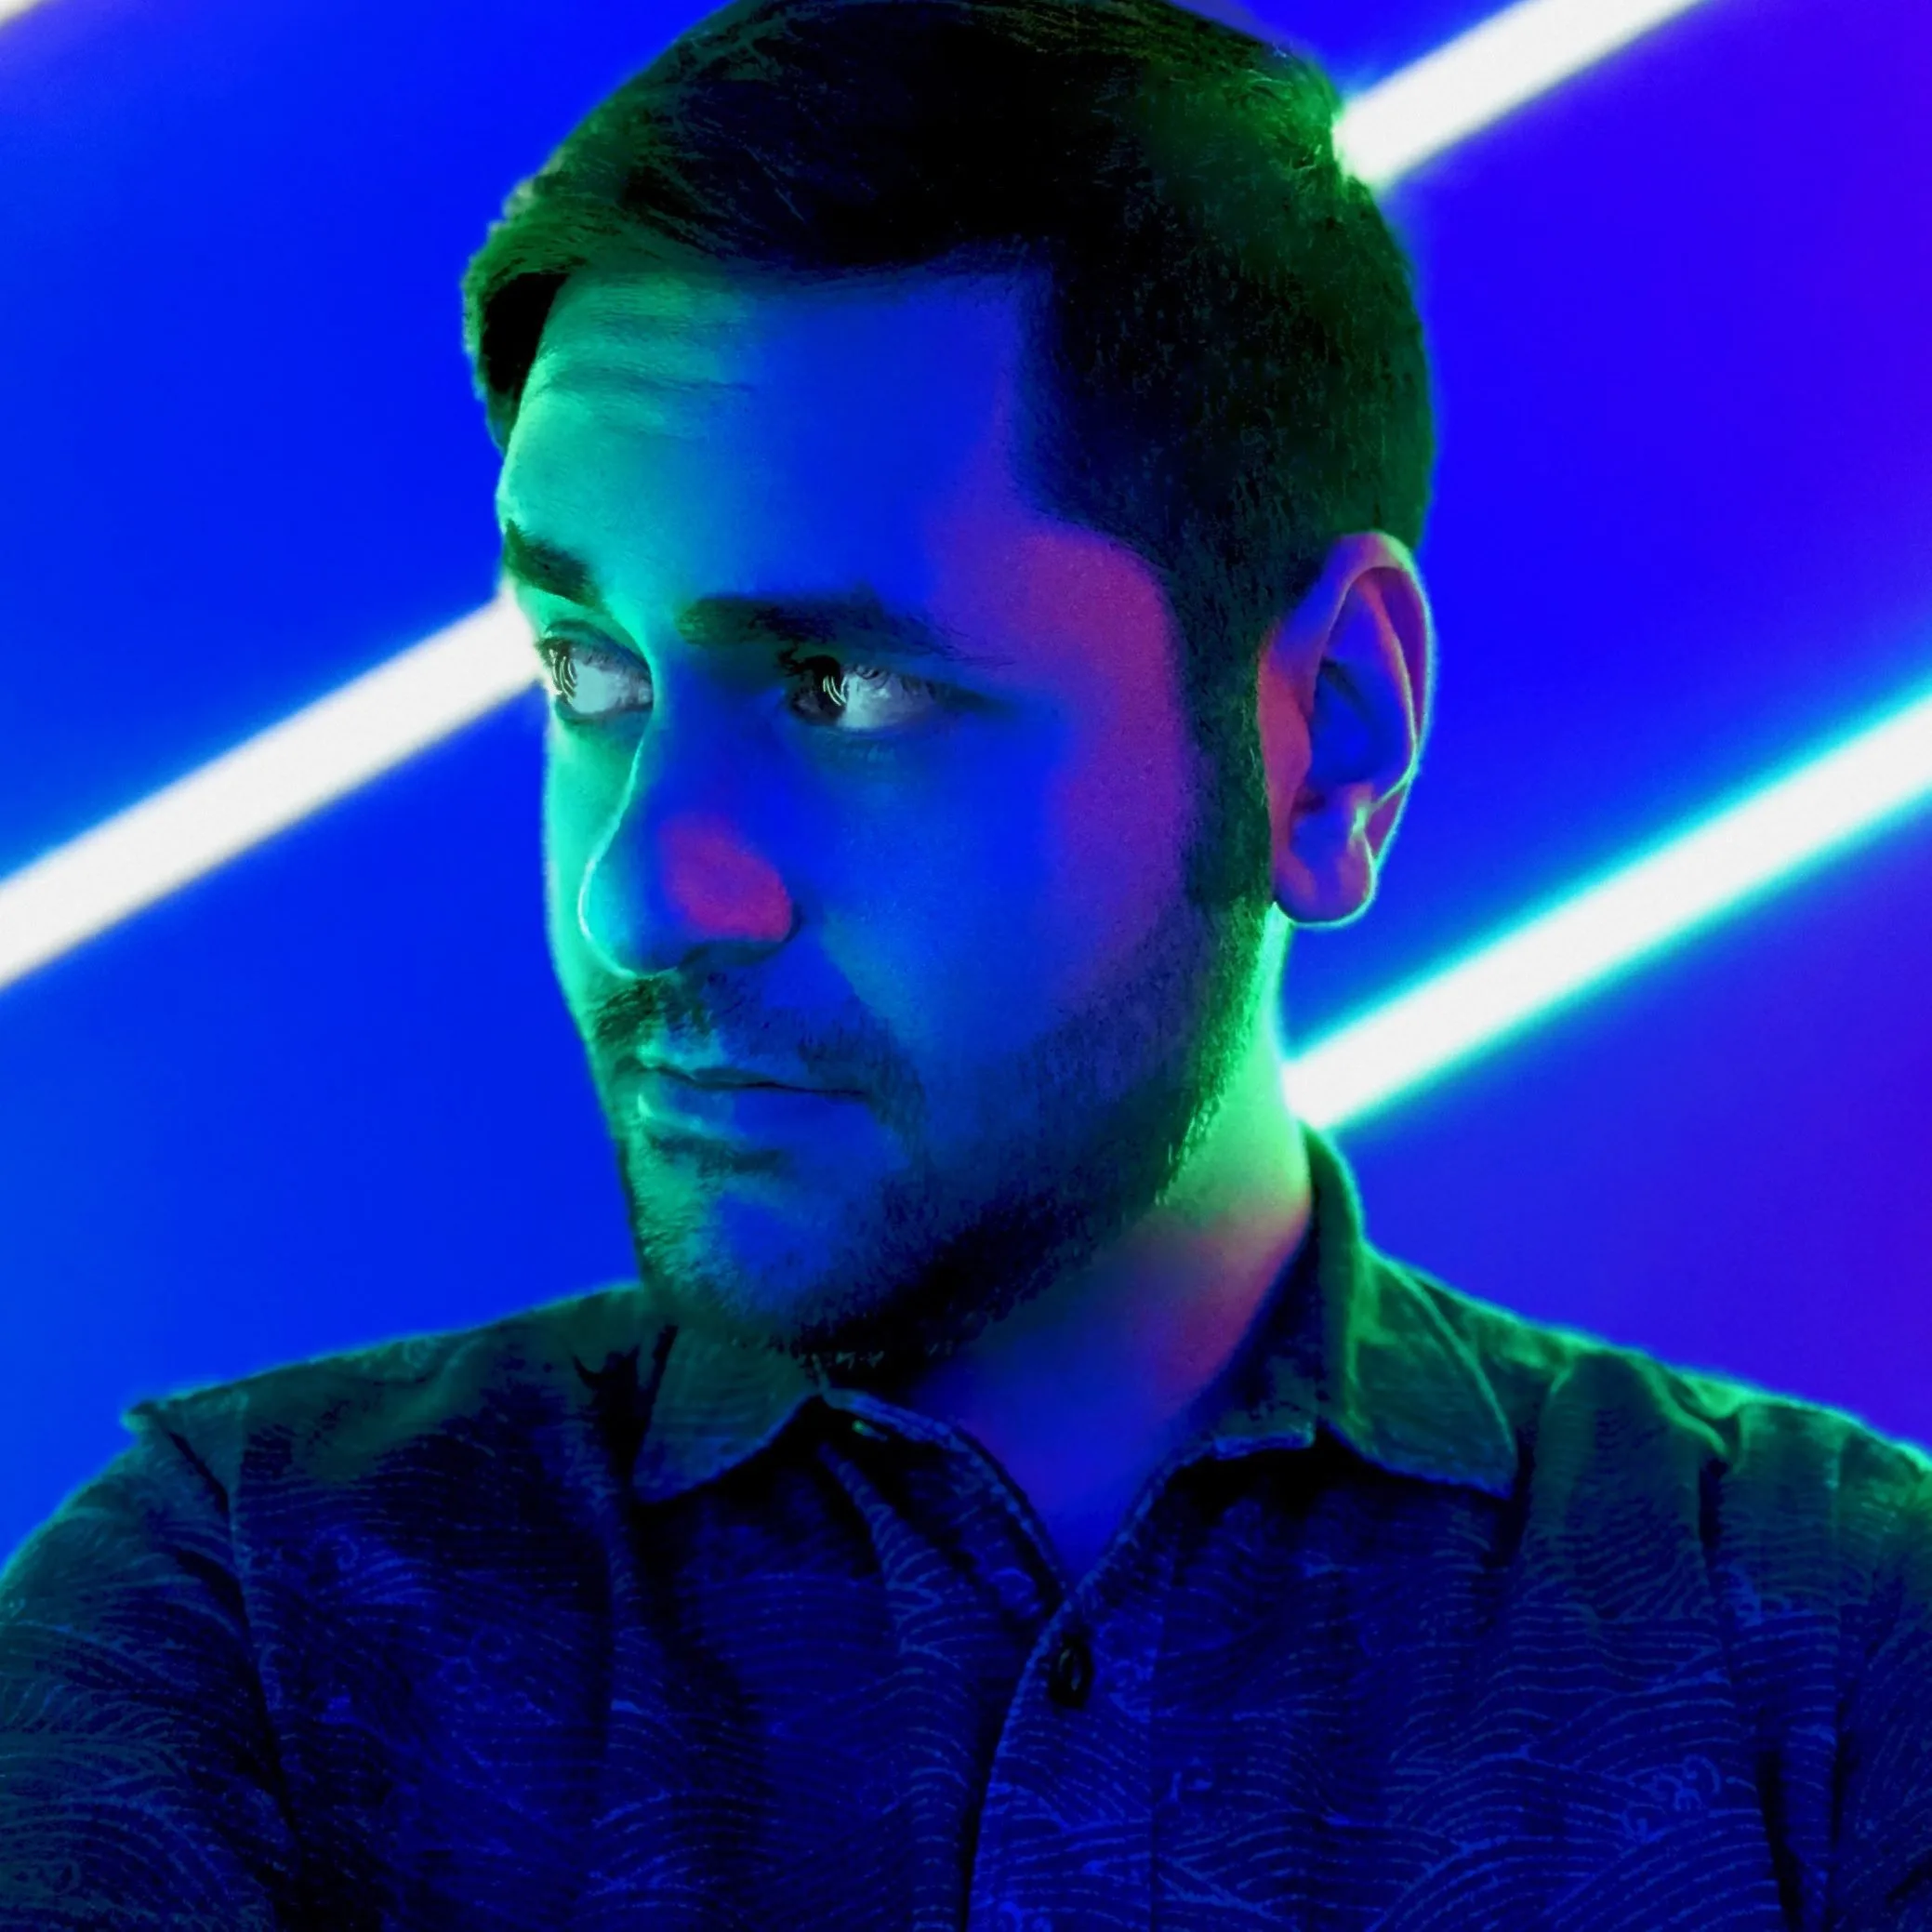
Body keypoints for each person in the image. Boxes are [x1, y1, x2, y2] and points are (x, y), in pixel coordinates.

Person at [4, 0, 1929, 1924]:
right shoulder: (244, 1633)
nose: (638, 897)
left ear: (1329, 733)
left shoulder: (1836, 1657)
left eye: (841, 687)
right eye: (588, 672)